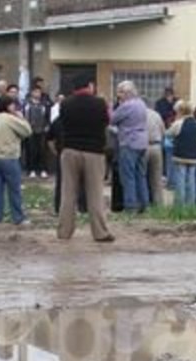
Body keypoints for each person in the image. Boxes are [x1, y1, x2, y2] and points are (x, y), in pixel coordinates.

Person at [56, 76, 114, 242]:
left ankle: (64, 232)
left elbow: (62, 124)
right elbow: (106, 122)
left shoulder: (65, 103)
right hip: (94, 151)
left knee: (68, 193)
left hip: (70, 150)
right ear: (90, 86)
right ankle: (100, 232)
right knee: (95, 193)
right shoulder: (99, 103)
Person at [0, 97, 33, 225]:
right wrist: (21, 118)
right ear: (9, 106)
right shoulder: (10, 119)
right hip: (8, 157)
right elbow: (27, 131)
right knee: (14, 189)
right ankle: (18, 217)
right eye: (14, 105)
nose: (15, 108)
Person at [111, 81, 150, 214]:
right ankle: (144, 204)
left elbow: (112, 119)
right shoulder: (141, 103)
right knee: (141, 175)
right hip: (142, 142)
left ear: (127, 93)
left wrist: (114, 106)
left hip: (129, 142)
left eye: (120, 92)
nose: (118, 95)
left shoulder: (126, 105)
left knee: (128, 176)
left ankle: (130, 206)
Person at [168, 100, 196, 206]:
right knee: (192, 180)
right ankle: (190, 204)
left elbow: (169, 133)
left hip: (180, 155)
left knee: (180, 180)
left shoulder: (178, 123)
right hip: (193, 155)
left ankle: (179, 204)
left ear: (180, 112)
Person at [22, 88, 50, 178]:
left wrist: (47, 126)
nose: (37, 93)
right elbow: (24, 116)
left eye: (39, 92)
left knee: (42, 150)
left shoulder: (45, 104)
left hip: (42, 130)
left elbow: (48, 116)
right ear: (31, 93)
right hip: (30, 129)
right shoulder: (27, 104)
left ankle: (43, 169)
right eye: (35, 91)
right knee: (31, 150)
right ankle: (31, 169)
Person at [146, 107, 165, 206]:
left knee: (143, 176)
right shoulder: (156, 115)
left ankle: (146, 201)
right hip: (156, 146)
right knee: (157, 177)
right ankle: (158, 203)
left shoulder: (138, 114)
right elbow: (163, 131)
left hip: (143, 146)